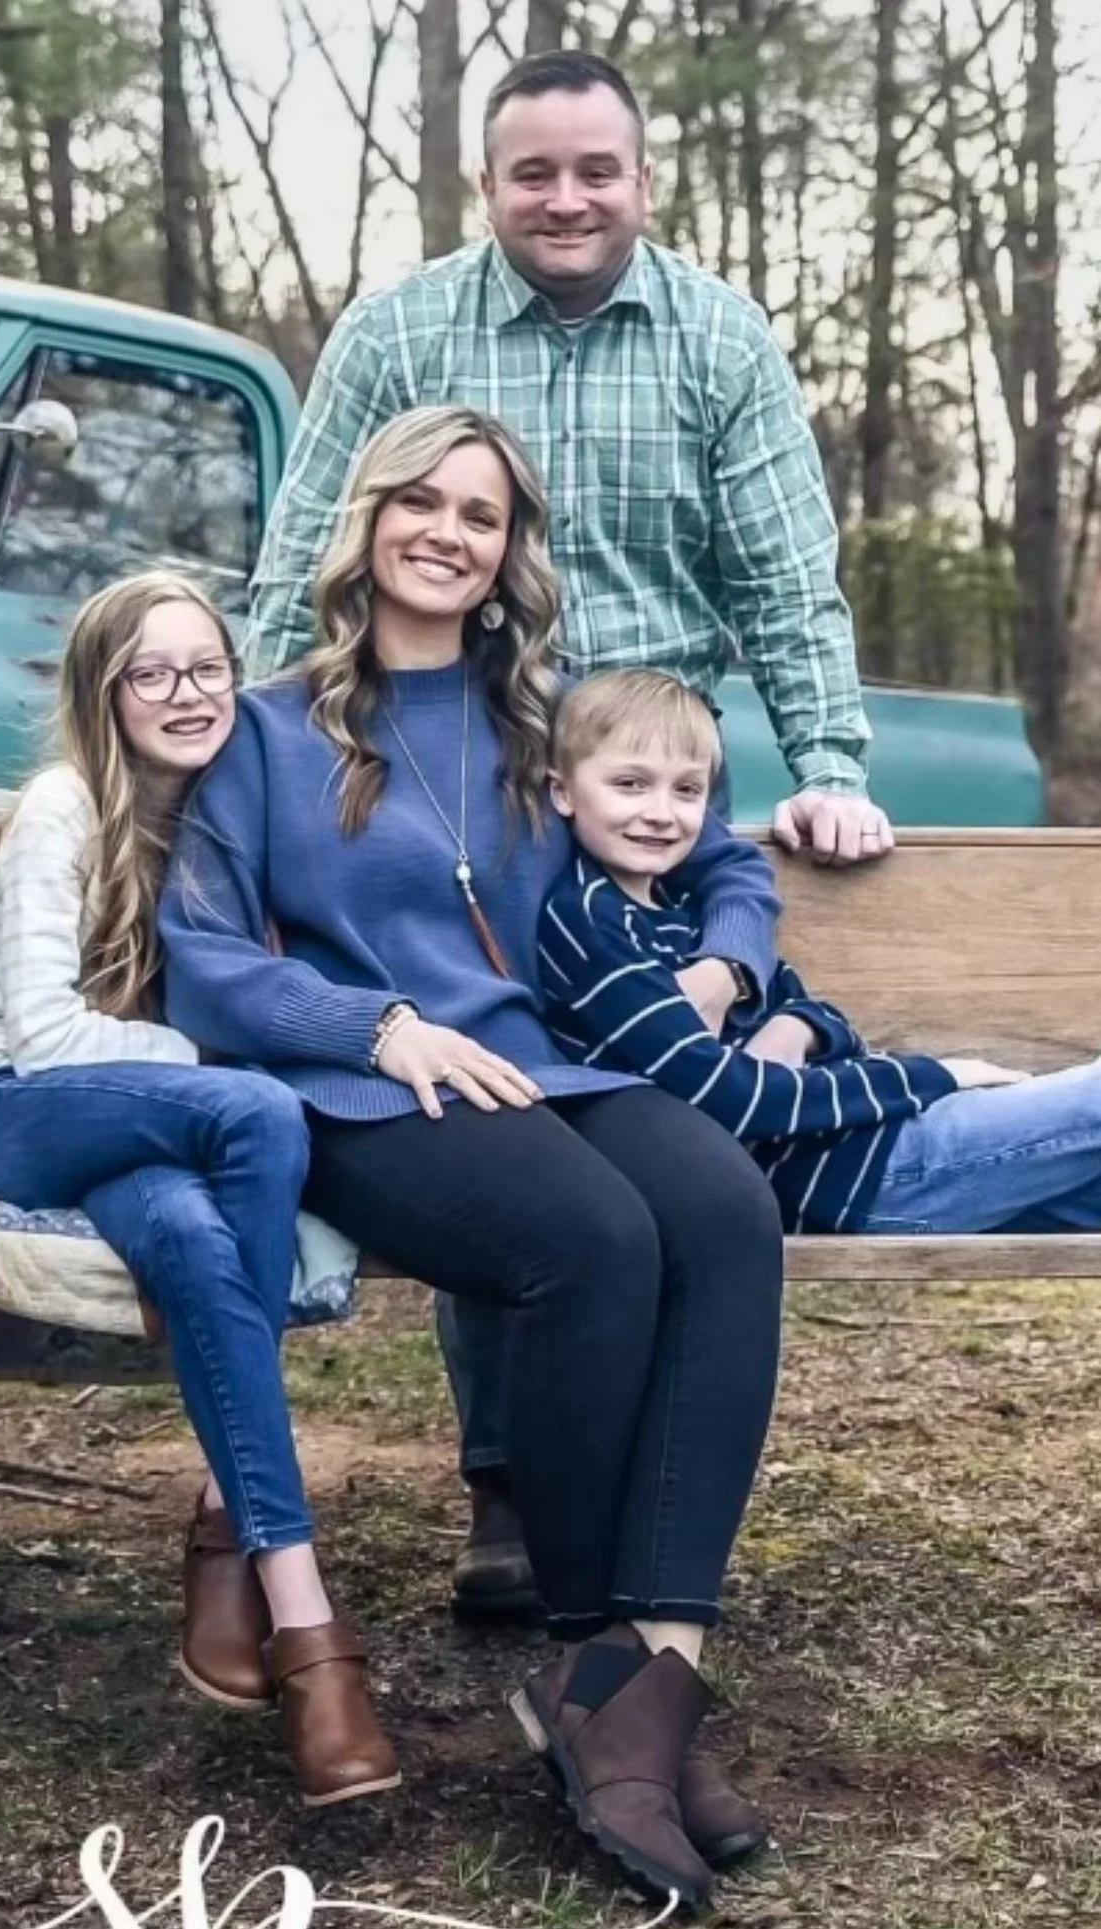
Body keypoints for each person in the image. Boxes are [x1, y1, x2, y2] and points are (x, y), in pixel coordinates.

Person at [245, 46, 893, 1590]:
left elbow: (782, 581)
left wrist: (831, 764)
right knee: (482, 1073)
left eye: (594, 170)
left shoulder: (718, 338)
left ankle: (609, 1489)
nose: (565, 197)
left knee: (613, 1127)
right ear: (489, 183)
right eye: (533, 171)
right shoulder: (401, 331)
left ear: (641, 177)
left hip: (639, 797)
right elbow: (299, 562)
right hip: (437, 773)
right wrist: (261, 775)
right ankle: (510, 1489)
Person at [160, 404, 785, 1908]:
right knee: (591, 1240)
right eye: (421, 503)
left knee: (723, 1209)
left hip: (541, 1064)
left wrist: (730, 968)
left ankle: (647, 1680)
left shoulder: (537, 716)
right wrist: (372, 1027)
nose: (448, 531)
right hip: (357, 1098)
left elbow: (728, 855)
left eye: (483, 515)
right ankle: (588, 1655)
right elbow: (200, 959)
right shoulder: (266, 724)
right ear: (370, 521)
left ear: (509, 553)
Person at [0, 571, 400, 1811]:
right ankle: (303, 1613)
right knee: (257, 1106)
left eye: (208, 667)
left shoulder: (233, 817)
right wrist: (219, 1069)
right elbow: (42, 1036)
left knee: (191, 1233)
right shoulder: (62, 810)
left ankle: (243, 1550)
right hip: (11, 1117)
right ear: (106, 691)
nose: (189, 694)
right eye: (155, 672)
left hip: (152, 1151)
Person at [540, 668, 1101, 1242]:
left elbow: (822, 1015)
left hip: (875, 1144)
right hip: (848, 1177)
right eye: (630, 784)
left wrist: (792, 1026)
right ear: (562, 790)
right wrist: (936, 1076)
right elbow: (728, 1098)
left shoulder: (684, 909)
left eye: (686, 790)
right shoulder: (590, 922)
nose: (662, 812)